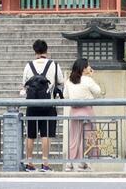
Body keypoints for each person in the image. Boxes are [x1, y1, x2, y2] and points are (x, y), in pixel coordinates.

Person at [21, 39, 65, 173]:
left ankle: (29, 163)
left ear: (34, 51)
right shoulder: (54, 65)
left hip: (32, 105)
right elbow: (61, 82)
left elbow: (24, 84)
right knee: (46, 134)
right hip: (48, 104)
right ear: (47, 50)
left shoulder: (29, 66)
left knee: (30, 135)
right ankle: (45, 164)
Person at [64, 58, 104, 171]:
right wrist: (92, 77)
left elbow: (65, 95)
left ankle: (69, 163)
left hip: (74, 112)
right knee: (88, 137)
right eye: (88, 66)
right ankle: (82, 163)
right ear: (83, 68)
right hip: (87, 112)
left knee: (74, 138)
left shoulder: (69, 81)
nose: (89, 67)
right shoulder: (87, 80)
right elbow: (98, 91)